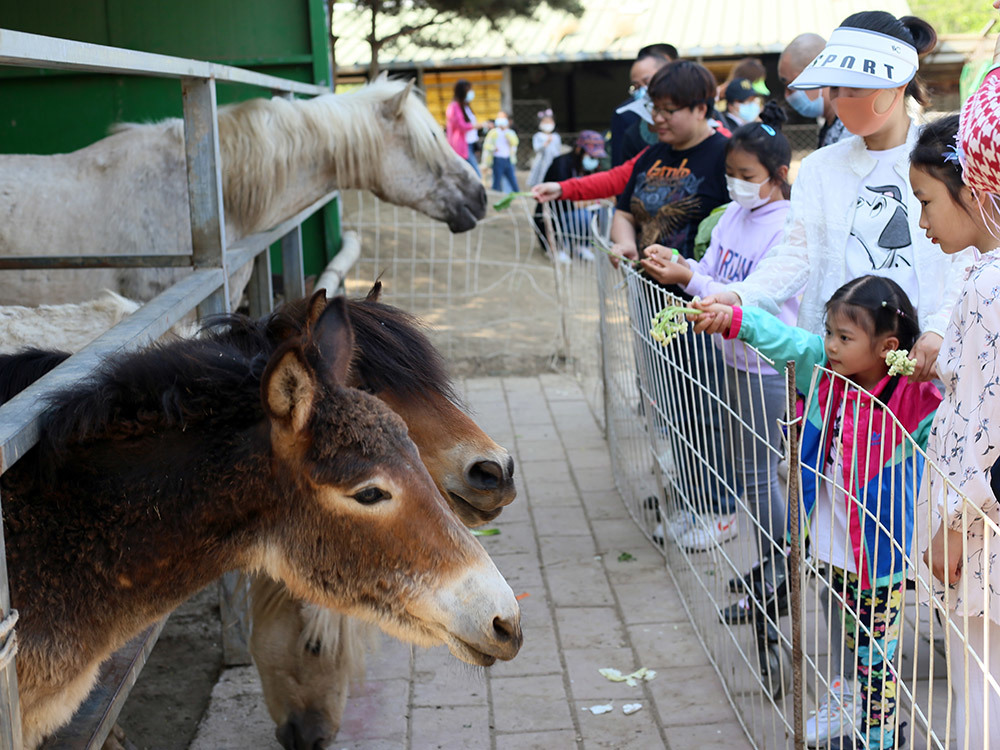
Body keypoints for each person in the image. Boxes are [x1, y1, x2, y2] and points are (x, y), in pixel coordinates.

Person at [696, 275, 941, 749]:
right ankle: (867, 721)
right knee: (853, 641)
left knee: (877, 656)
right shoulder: (823, 372)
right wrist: (736, 320)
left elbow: (963, 390)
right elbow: (784, 338)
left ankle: (881, 737)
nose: (829, 344)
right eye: (829, 332)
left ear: (888, 345)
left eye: (844, 338)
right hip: (830, 537)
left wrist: (935, 356)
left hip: (878, 549)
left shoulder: (914, 396)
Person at [696, 12, 968, 389]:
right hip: (841, 368)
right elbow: (795, 257)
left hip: (924, 366)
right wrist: (740, 294)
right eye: (835, 89)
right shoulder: (821, 168)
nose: (842, 99)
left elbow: (970, 258)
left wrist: (939, 329)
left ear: (898, 83)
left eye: (855, 87)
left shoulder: (946, 160)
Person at [640, 101, 793, 603]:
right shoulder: (734, 216)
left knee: (757, 473)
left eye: (746, 175)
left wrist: (688, 278)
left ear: (779, 175)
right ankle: (773, 564)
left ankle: (781, 564)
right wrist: (679, 262)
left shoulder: (786, 228)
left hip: (766, 366)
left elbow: (746, 292)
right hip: (734, 358)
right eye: (730, 173)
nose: (735, 183)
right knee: (754, 471)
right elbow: (712, 270)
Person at [911, 105, 1000, 750]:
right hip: (976, 535)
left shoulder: (993, 287)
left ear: (972, 186)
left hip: (980, 536)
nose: (921, 221)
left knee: (981, 701)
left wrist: (953, 527)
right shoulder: (980, 273)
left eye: (926, 200)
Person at [534, 130, 607, 263]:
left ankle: (583, 245)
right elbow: (564, 201)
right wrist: (589, 202)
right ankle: (559, 247)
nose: (594, 160)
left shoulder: (591, 167)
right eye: (591, 155)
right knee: (583, 216)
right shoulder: (561, 164)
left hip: (578, 209)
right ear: (579, 149)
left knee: (605, 212)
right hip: (557, 214)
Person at [611, 44, 678, 167]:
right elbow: (622, 174)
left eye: (647, 82)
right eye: (636, 86)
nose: (658, 119)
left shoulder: (708, 127)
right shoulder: (632, 130)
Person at [446, 79, 481, 176]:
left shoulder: (465, 106)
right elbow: (462, 126)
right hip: (461, 146)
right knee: (476, 175)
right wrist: (479, 125)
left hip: (469, 144)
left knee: (469, 174)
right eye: (468, 90)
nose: (470, 92)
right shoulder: (454, 107)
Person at [481, 111, 520, 194]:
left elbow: (515, 143)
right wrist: (493, 148)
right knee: (497, 180)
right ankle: (496, 196)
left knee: (512, 180)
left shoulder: (510, 132)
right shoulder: (493, 132)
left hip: (508, 159)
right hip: (497, 159)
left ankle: (518, 195)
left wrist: (508, 136)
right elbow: (486, 145)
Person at [527, 108, 562, 188]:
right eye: (545, 122)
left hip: (554, 161)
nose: (548, 124)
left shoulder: (556, 136)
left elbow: (558, 149)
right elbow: (536, 149)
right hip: (542, 161)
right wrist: (545, 143)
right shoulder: (538, 136)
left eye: (550, 122)